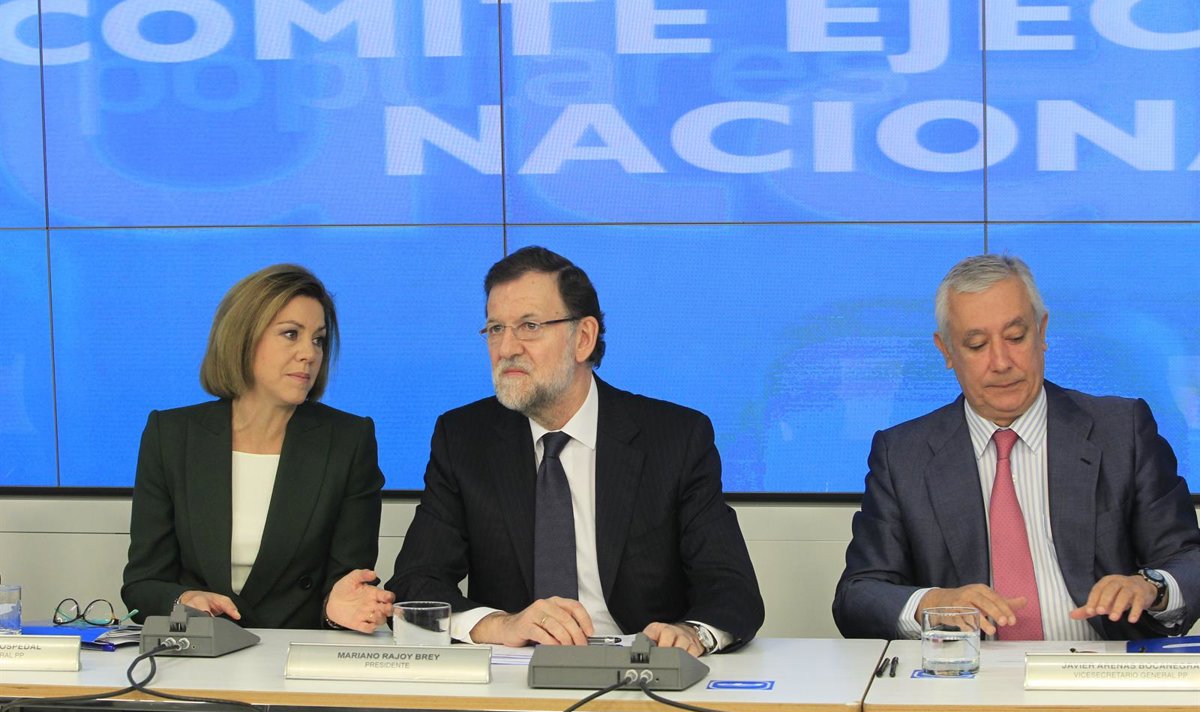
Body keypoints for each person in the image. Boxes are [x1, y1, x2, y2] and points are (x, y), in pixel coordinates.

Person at [388, 246, 763, 655]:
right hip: (514, 679)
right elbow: (414, 584)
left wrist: (692, 634)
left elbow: (732, 589)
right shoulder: (464, 438)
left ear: (583, 338)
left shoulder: (675, 438)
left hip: (641, 676)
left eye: (529, 326)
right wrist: (499, 624)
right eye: (495, 328)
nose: (506, 348)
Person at [834, 254, 1200, 641]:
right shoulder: (901, 455)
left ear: (1041, 332)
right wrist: (933, 602)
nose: (1001, 362)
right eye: (976, 344)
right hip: (967, 671)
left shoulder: (1121, 430)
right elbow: (857, 596)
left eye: (1015, 337)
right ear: (946, 351)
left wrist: (1151, 586)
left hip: (1098, 666)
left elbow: (1189, 559)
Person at [122, 264, 394, 632]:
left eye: (318, 340)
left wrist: (335, 609)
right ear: (243, 337)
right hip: (200, 650)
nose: (309, 354)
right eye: (290, 334)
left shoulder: (349, 440)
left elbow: (346, 581)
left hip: (296, 651)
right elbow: (143, 584)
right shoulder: (170, 435)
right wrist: (183, 600)